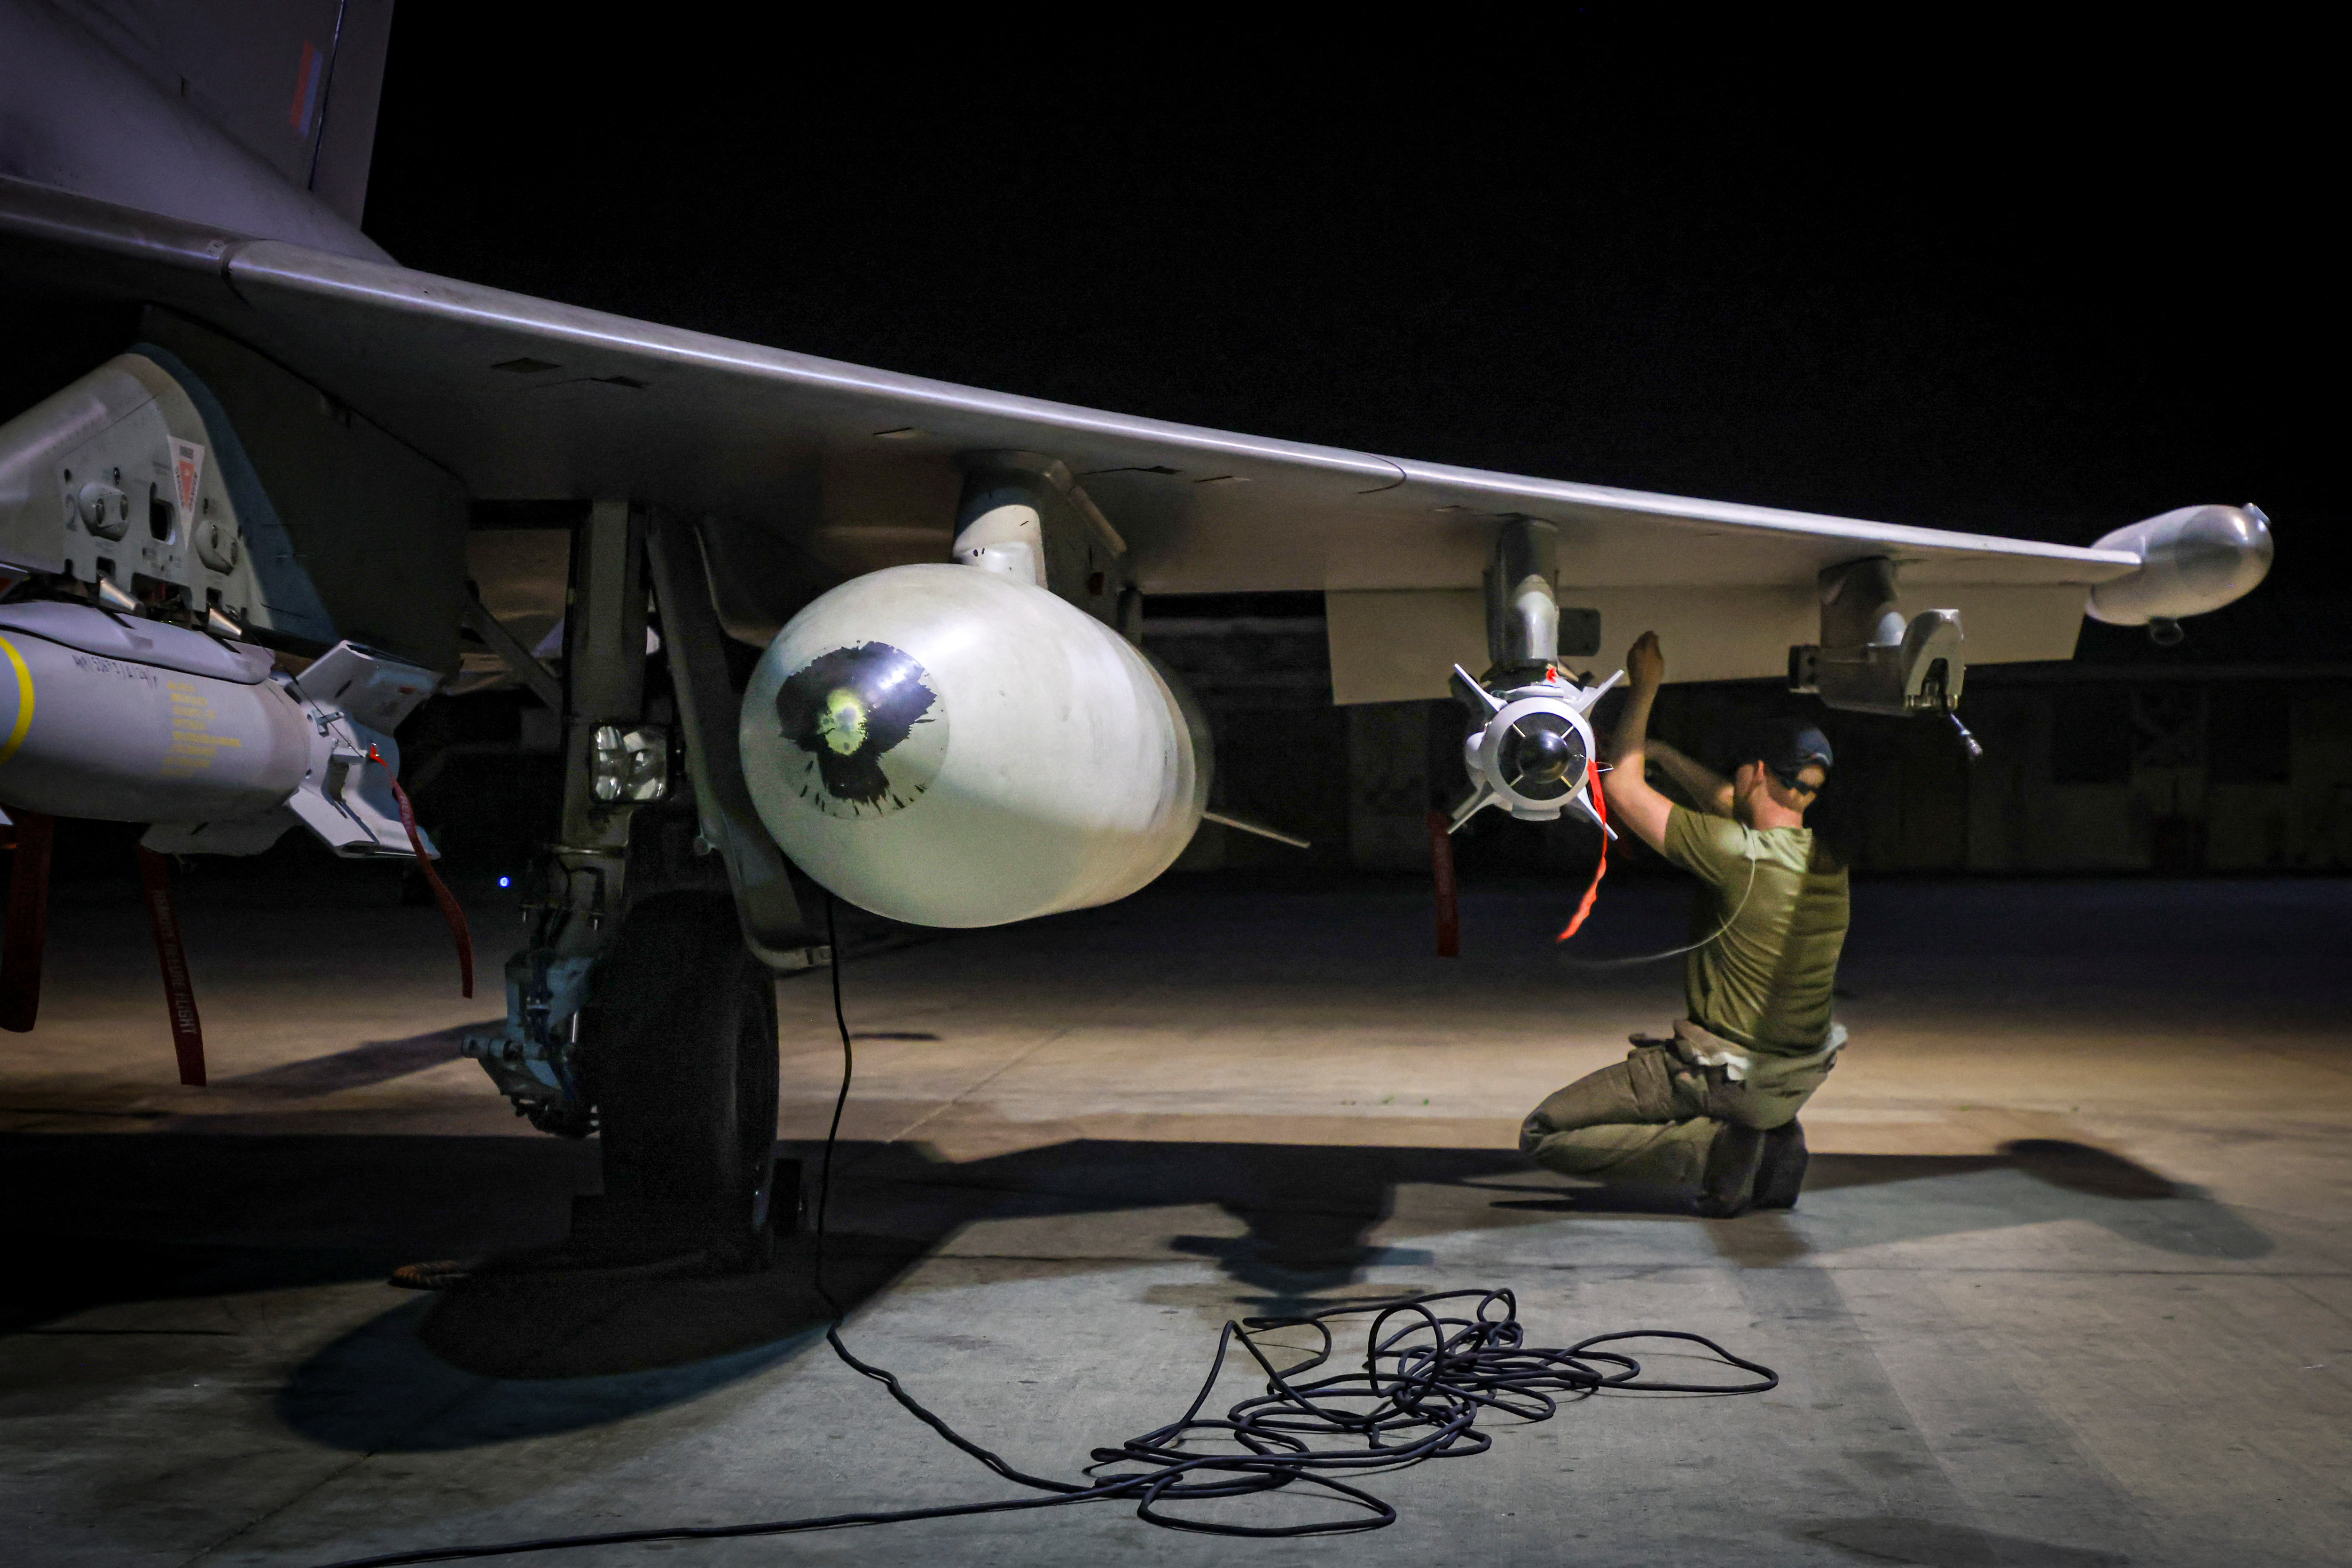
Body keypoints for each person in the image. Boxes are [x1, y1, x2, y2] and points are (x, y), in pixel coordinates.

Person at [1518, 630, 1849, 1216]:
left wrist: (1646, 687)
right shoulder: (1825, 862)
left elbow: (1622, 787)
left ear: (1755, 771)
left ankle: (1717, 1152)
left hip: (1723, 1079)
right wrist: (1666, 757)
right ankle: (1776, 1150)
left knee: (1544, 1133)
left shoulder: (1734, 854)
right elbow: (1736, 805)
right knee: (1758, 1098)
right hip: (1796, 1079)